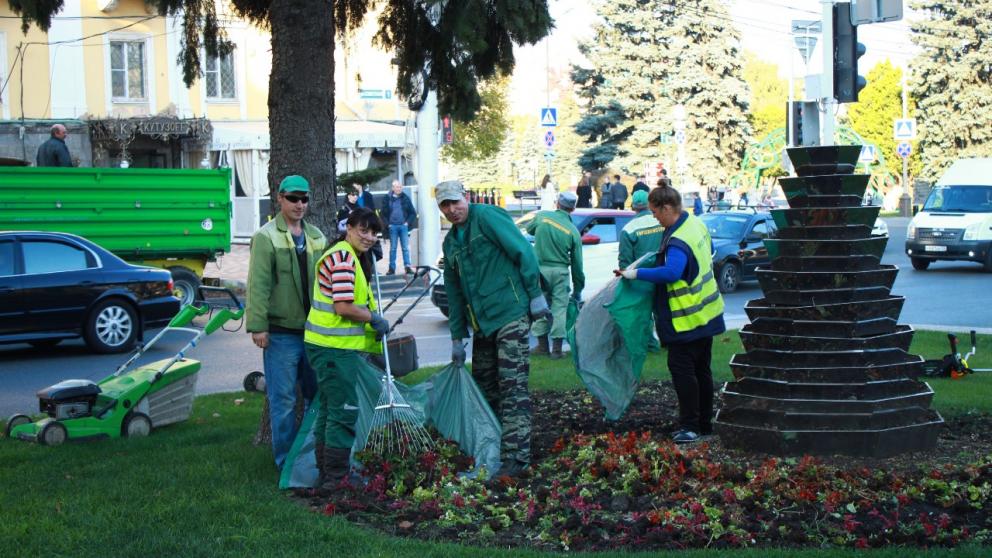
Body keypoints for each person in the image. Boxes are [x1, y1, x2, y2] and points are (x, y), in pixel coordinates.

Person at [436, 180, 548, 477]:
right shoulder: (450, 244)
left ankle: (516, 458)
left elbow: (522, 251)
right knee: (485, 386)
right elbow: (454, 292)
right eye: (445, 205)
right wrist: (457, 338)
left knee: (512, 386)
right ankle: (492, 446)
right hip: (484, 324)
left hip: (511, 312)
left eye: (455, 202)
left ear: (466, 197)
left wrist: (535, 294)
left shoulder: (487, 217)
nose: (451, 210)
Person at [616, 185, 725, 444]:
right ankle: (704, 424)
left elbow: (672, 272)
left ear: (667, 208)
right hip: (707, 315)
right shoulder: (695, 224)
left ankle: (690, 426)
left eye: (655, 212)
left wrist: (636, 274)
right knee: (702, 372)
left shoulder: (678, 240)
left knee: (683, 373)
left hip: (685, 321)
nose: (654, 217)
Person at [246, 175, 328, 470]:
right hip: (281, 334)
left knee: (315, 398)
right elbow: (258, 285)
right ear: (279, 198)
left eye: (304, 198)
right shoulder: (266, 236)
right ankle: (286, 465)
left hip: (315, 333)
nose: (299, 204)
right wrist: (258, 326)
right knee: (281, 402)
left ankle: (309, 458)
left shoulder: (317, 236)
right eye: (293, 198)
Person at [305, 207, 389, 487]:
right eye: (363, 230)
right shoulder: (343, 259)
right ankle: (335, 478)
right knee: (343, 410)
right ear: (349, 228)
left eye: (373, 233)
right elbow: (343, 307)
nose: (368, 237)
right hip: (333, 348)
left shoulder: (349, 254)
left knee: (331, 409)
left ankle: (326, 473)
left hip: (330, 347)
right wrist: (373, 318)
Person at [526, 191, 585, 359]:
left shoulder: (542, 217)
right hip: (560, 273)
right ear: (572, 209)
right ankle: (557, 350)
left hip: (539, 271)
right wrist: (578, 288)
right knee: (559, 309)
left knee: (539, 306)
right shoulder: (573, 231)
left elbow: (530, 230)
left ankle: (542, 346)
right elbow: (577, 265)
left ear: (557, 204)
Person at [380, 179, 418, 275]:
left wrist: (407, 223)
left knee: (405, 248)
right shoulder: (387, 198)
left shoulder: (405, 198)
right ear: (393, 188)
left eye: (400, 187)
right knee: (393, 248)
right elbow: (382, 214)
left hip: (403, 227)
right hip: (392, 227)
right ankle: (391, 269)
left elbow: (412, 213)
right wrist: (388, 224)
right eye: (397, 187)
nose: (399, 188)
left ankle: (407, 267)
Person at [618, 190, 664, 269]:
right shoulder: (663, 221)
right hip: (663, 275)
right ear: (650, 204)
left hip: (640, 278)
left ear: (633, 206)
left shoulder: (628, 229)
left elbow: (625, 263)